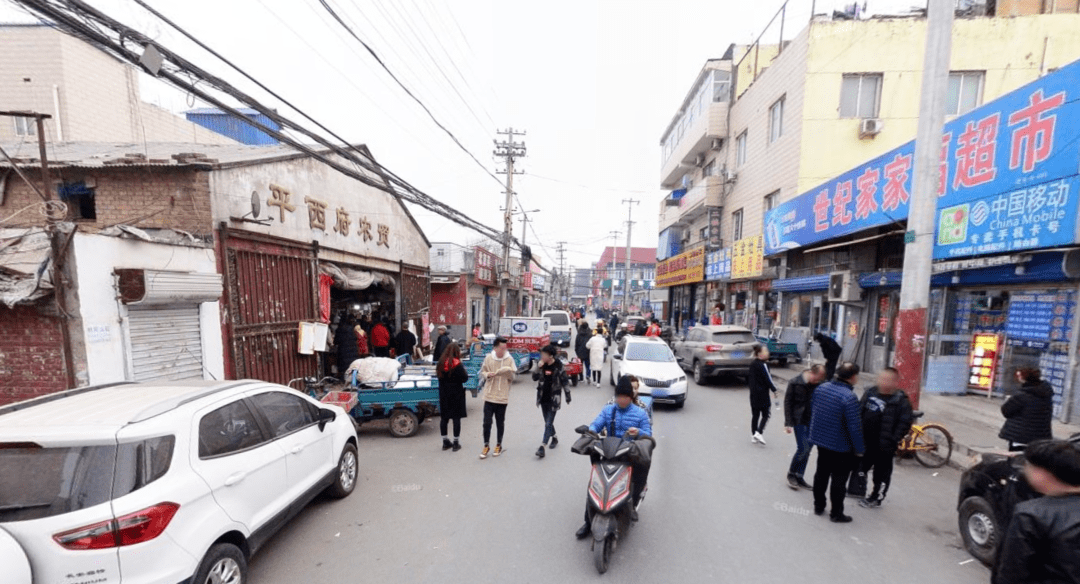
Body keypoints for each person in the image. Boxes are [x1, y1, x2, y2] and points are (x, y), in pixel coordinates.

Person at [991, 439, 1080, 584]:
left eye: (1028, 465)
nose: (1025, 470)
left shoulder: (1031, 515)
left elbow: (1012, 574)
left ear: (1043, 473)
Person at [575, 377, 654, 538]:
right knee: (595, 484)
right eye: (619, 396)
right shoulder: (608, 410)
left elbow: (648, 434)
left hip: (629, 454)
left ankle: (632, 505)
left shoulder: (640, 414)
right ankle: (588, 522)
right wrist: (591, 431)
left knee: (638, 475)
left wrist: (639, 433)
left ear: (630, 397)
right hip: (609, 451)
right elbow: (596, 424)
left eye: (625, 397)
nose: (621, 400)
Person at [809, 362, 866, 523]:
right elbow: (855, 428)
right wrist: (859, 450)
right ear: (853, 377)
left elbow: (815, 411)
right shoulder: (849, 397)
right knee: (839, 481)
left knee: (821, 474)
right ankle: (836, 513)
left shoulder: (821, 388)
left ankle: (818, 506)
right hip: (841, 446)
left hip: (821, 441)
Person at [851, 367, 913, 508]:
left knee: (881, 475)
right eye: (882, 378)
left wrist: (893, 439)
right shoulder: (871, 392)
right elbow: (860, 411)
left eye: (888, 380)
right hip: (865, 442)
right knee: (859, 468)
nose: (884, 382)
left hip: (884, 446)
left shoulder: (901, 401)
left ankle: (876, 497)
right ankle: (857, 490)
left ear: (896, 382)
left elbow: (905, 423)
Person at [784, 364, 826, 489]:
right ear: (812, 373)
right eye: (817, 378)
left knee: (807, 451)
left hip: (814, 422)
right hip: (799, 420)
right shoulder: (795, 382)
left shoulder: (820, 384)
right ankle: (791, 474)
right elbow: (788, 402)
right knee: (803, 448)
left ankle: (799, 475)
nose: (819, 381)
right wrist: (788, 422)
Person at [999, 367, 1054, 452]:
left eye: (1019, 375)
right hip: (1041, 438)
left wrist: (1008, 400)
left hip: (1020, 437)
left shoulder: (1022, 396)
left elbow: (1006, 411)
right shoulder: (1046, 395)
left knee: (1017, 462)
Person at [479, 337, 516, 459]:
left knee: (500, 422)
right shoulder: (489, 358)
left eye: (505, 348)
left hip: (502, 396)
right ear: (495, 348)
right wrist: (487, 375)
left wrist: (507, 372)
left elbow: (513, 377)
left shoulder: (509, 359)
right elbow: (483, 371)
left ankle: (499, 444)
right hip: (489, 395)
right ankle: (486, 445)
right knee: (487, 422)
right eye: (501, 348)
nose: (504, 350)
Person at [533, 344, 571, 459]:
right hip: (543, 397)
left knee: (548, 423)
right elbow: (534, 378)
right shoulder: (541, 365)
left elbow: (564, 380)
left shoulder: (558, 366)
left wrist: (568, 394)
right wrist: (538, 367)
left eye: (543, 354)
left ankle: (542, 446)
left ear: (550, 356)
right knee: (547, 422)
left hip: (554, 399)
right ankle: (554, 437)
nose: (541, 356)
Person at [436, 344, 469, 452]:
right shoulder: (457, 364)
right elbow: (464, 379)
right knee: (456, 418)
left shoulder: (440, 363)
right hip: (456, 394)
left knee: (444, 418)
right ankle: (455, 443)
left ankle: (445, 442)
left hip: (444, 394)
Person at [748, 344, 778, 445]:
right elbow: (768, 379)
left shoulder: (752, 364)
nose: (768, 353)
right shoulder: (763, 364)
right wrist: (774, 389)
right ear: (760, 354)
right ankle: (759, 432)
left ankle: (753, 435)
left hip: (753, 394)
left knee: (755, 415)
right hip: (763, 395)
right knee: (766, 414)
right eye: (766, 351)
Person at [334, 313, 360, 378]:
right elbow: (356, 338)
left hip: (343, 351)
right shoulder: (352, 329)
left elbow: (336, 341)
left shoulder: (339, 329)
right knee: (352, 366)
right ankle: (352, 379)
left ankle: (344, 380)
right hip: (353, 351)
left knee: (344, 367)